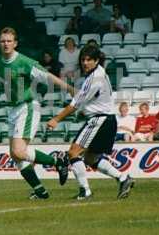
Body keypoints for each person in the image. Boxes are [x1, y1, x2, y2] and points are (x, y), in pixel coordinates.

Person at [0, 27, 72, 200]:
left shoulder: (25, 62)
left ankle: (59, 162)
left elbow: (48, 77)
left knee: (18, 151)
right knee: (16, 157)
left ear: (15, 43)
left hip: (28, 106)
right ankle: (40, 191)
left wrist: (70, 89)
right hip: (13, 109)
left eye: (9, 41)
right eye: (2, 41)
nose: (6, 44)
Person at [47, 45, 134, 200]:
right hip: (107, 120)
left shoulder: (95, 78)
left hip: (99, 120)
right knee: (90, 159)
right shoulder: (98, 73)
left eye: (89, 60)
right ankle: (123, 178)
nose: (85, 63)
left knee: (73, 152)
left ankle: (85, 191)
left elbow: (75, 104)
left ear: (96, 60)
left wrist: (56, 119)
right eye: (83, 60)